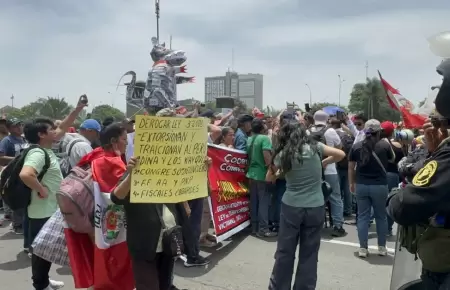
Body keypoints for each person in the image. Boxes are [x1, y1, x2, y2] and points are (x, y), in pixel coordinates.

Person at [267, 121, 345, 290]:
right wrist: (323, 162)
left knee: (285, 251)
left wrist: (281, 172)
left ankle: (279, 286)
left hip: (291, 206)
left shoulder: (284, 153)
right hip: (316, 206)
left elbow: (269, 178)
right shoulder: (316, 147)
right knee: (309, 253)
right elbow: (340, 154)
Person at [387, 114, 450, 288]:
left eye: (438, 122)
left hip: (442, 268)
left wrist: (394, 194)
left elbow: (404, 206)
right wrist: (434, 151)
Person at [348, 119, 393, 258]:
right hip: (380, 185)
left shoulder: (357, 146)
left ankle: (363, 248)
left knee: (362, 217)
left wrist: (351, 183)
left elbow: (351, 167)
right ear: (379, 131)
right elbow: (392, 159)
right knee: (381, 217)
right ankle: (381, 247)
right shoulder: (385, 145)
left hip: (361, 185)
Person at [309, 110, 346, 237]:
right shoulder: (330, 131)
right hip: (330, 170)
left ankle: (314, 224)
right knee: (335, 198)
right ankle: (338, 225)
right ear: (327, 119)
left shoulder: (307, 131)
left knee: (315, 198)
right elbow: (340, 147)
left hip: (313, 170)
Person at [247, 118, 275, 237]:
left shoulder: (249, 139)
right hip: (263, 174)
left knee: (254, 201)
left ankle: (254, 227)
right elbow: (266, 156)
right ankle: (263, 229)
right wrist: (272, 171)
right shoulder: (264, 138)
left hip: (251, 174)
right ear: (262, 127)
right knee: (264, 202)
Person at [0, 118, 27, 233]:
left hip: (24, 172)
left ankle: (21, 223)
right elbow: (1, 158)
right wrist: (18, 159)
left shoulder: (24, 139)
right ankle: (17, 225)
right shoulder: (7, 141)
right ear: (9, 128)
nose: (19, 127)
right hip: (12, 174)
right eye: (16, 126)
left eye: (20, 125)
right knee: (17, 198)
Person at [381, 121, 405, 236]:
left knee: (379, 201)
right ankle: (388, 228)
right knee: (390, 201)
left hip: (380, 175)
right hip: (393, 175)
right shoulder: (398, 146)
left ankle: (380, 226)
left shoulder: (378, 144)